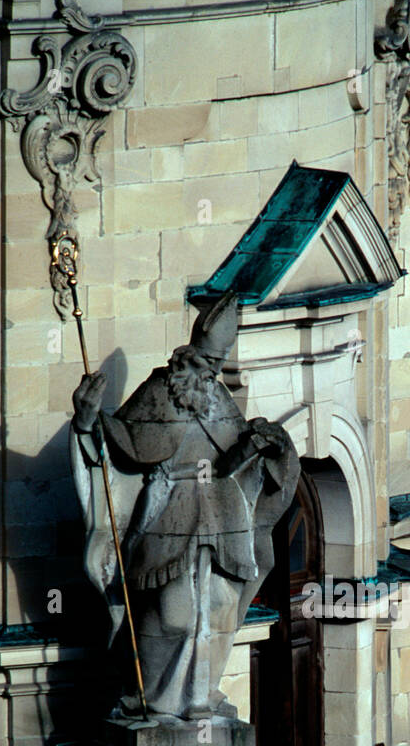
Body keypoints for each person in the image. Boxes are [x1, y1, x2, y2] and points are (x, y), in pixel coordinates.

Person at [69, 292, 299, 722]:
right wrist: (87, 419)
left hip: (222, 514)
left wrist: (262, 446)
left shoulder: (217, 397)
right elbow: (119, 445)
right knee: (173, 615)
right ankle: (153, 701)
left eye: (218, 366)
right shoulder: (159, 391)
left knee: (217, 609)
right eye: (208, 365)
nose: (213, 375)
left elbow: (229, 460)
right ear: (187, 358)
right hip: (169, 514)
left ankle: (200, 699)